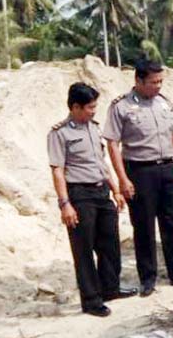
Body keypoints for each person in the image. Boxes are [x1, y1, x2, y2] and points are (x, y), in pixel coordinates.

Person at [103, 58, 173, 296]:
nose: (158, 86)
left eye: (160, 81)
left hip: (167, 169)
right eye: (153, 82)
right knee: (144, 226)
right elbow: (112, 144)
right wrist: (122, 179)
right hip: (140, 170)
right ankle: (148, 278)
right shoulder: (121, 107)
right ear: (138, 80)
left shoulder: (164, 103)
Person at [47, 83, 137, 317]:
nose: (93, 111)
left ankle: (110, 288)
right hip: (80, 195)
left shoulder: (94, 128)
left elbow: (101, 163)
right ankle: (91, 300)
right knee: (84, 249)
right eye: (89, 107)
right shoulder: (60, 133)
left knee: (110, 245)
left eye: (95, 106)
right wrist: (64, 204)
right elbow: (58, 170)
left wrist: (115, 190)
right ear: (75, 107)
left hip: (101, 193)